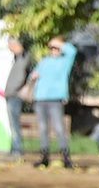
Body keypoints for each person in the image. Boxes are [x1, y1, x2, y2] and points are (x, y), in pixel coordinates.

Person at [29, 36, 79, 169]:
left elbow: (72, 51)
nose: (54, 50)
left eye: (57, 48)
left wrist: (58, 43)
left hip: (55, 99)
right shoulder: (44, 61)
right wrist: (33, 77)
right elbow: (33, 75)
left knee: (59, 128)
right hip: (40, 98)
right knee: (43, 128)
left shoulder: (65, 61)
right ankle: (44, 156)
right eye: (52, 48)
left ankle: (66, 157)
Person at [0, 38, 32, 158]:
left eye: (10, 45)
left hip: (15, 95)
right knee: (13, 124)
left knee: (14, 124)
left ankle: (17, 150)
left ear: (16, 45)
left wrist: (13, 90)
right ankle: (15, 149)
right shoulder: (18, 58)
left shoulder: (24, 58)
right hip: (11, 94)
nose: (9, 48)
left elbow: (21, 77)